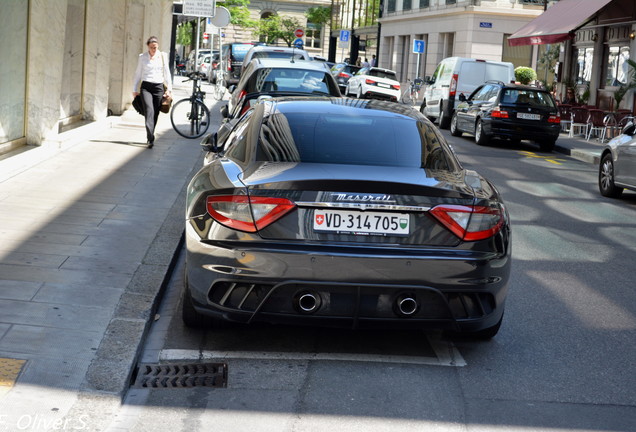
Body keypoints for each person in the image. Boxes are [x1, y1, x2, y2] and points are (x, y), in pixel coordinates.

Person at [132, 36, 172, 148]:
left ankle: (151, 134)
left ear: (158, 45)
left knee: (155, 113)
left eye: (155, 47)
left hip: (158, 87)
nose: (154, 49)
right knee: (149, 110)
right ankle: (150, 138)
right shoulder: (142, 57)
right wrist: (134, 89)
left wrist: (169, 89)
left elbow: (167, 73)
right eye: (151, 47)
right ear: (148, 47)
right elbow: (138, 73)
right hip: (146, 87)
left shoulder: (163, 56)